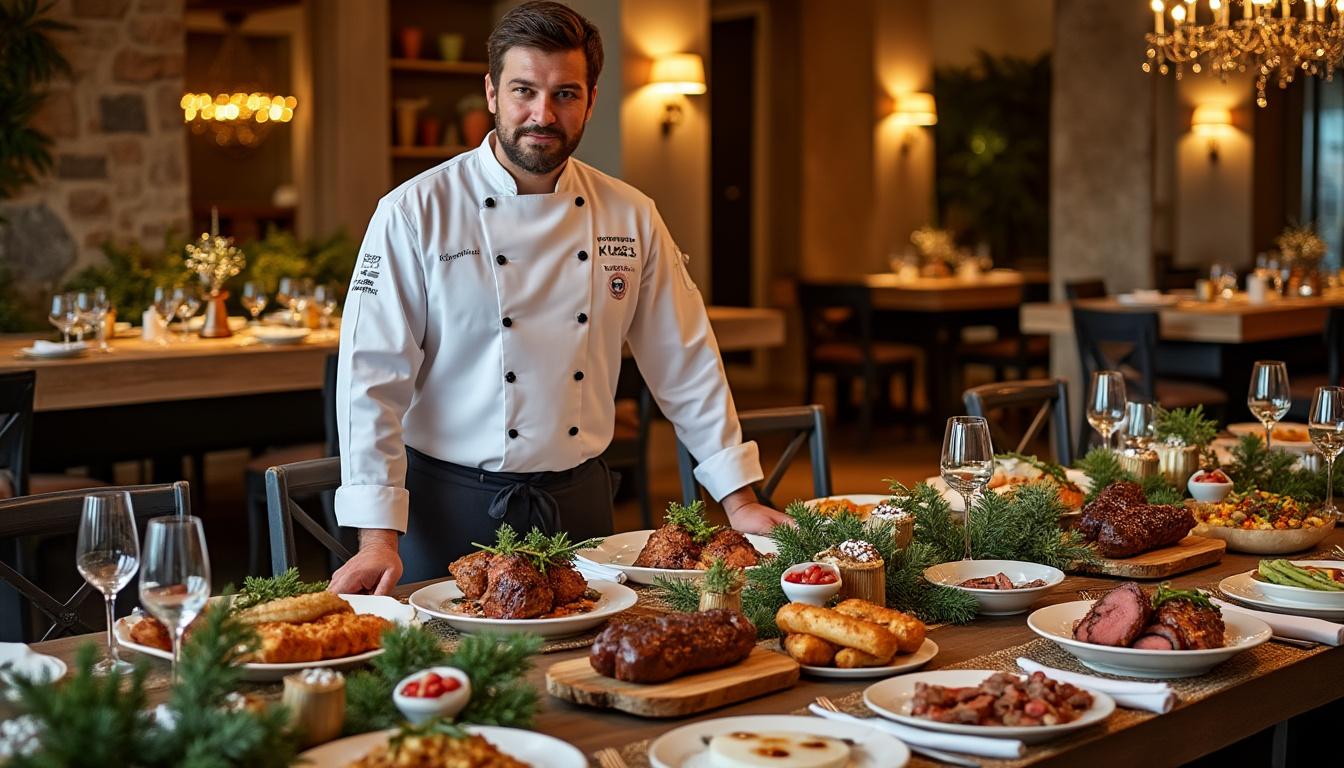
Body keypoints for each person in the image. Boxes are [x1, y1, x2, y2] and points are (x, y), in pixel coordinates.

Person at [329, 1, 790, 594]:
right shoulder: (414, 212)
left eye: (565, 94)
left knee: (590, 651)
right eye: (524, 90)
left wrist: (738, 498)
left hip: (581, 508)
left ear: (591, 101)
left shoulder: (630, 214)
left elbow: (685, 359)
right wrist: (376, 538)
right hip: (448, 509)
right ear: (491, 93)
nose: (542, 114)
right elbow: (371, 380)